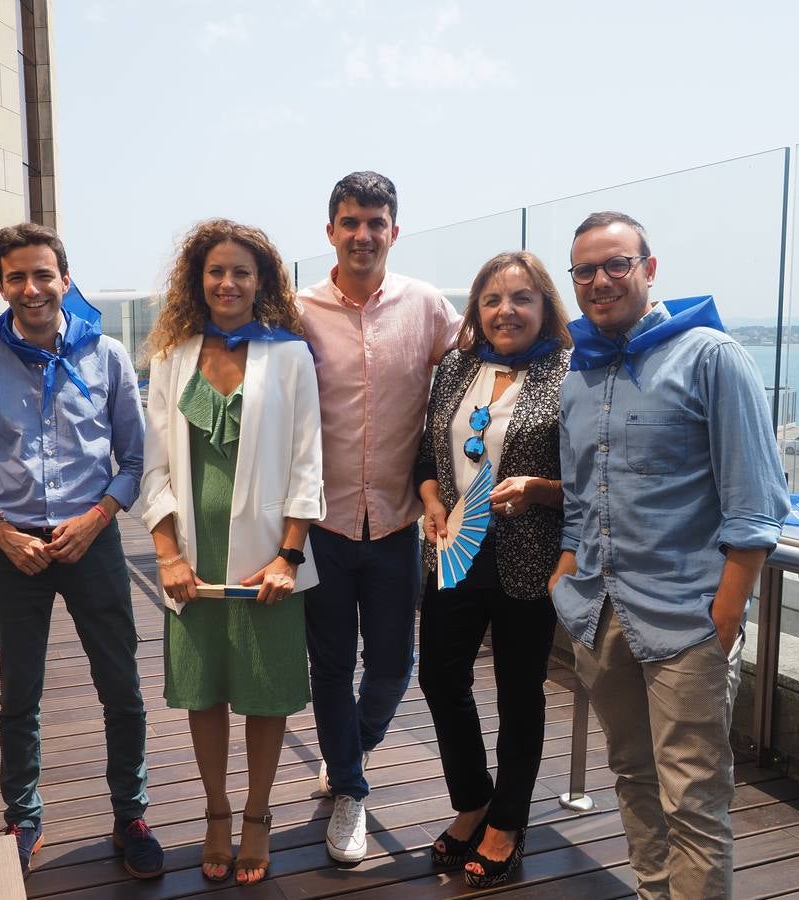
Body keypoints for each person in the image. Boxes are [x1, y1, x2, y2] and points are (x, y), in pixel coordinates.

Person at [548, 212, 790, 898]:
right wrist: (566, 572)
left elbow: (756, 503)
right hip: (600, 612)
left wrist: (726, 613)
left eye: (616, 264)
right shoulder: (581, 372)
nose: (600, 281)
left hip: (687, 618)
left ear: (650, 269)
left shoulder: (712, 356)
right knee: (632, 776)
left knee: (695, 801)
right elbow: (578, 496)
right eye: (585, 270)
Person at [0, 222, 162, 880]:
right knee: (19, 694)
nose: (31, 288)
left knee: (121, 687)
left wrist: (96, 521)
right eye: (17, 277)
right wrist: (1, 533)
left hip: (91, 541)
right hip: (14, 551)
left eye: (44, 274)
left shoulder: (109, 357)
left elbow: (135, 462)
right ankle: (23, 816)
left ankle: (132, 813)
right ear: (1, 284)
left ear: (66, 280)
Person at [139, 219, 324, 884]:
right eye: (216, 271)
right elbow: (153, 465)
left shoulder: (291, 356)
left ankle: (257, 815)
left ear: (262, 282)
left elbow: (308, 466)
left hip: (266, 559)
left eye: (242, 272)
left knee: (266, 693)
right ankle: (216, 813)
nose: (228, 282)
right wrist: (167, 554)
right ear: (198, 279)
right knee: (204, 691)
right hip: (191, 556)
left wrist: (288, 557)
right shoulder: (170, 355)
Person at [297, 171, 461, 862]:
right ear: (330, 230)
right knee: (330, 667)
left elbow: (482, 368)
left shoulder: (426, 306)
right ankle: (352, 793)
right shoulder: (296, 309)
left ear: (394, 230)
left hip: (398, 521)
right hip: (319, 524)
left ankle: (347, 751)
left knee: (395, 664)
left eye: (376, 222)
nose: (363, 234)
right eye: (350, 222)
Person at [414, 251, 571, 887]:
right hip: (453, 550)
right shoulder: (456, 367)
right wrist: (430, 502)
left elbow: (594, 478)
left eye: (521, 298)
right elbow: (427, 456)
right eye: (492, 299)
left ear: (544, 308)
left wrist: (538, 489)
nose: (506, 310)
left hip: (526, 559)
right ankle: (475, 798)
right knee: (438, 678)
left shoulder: (570, 373)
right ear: (477, 309)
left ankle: (508, 822)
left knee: (518, 692)